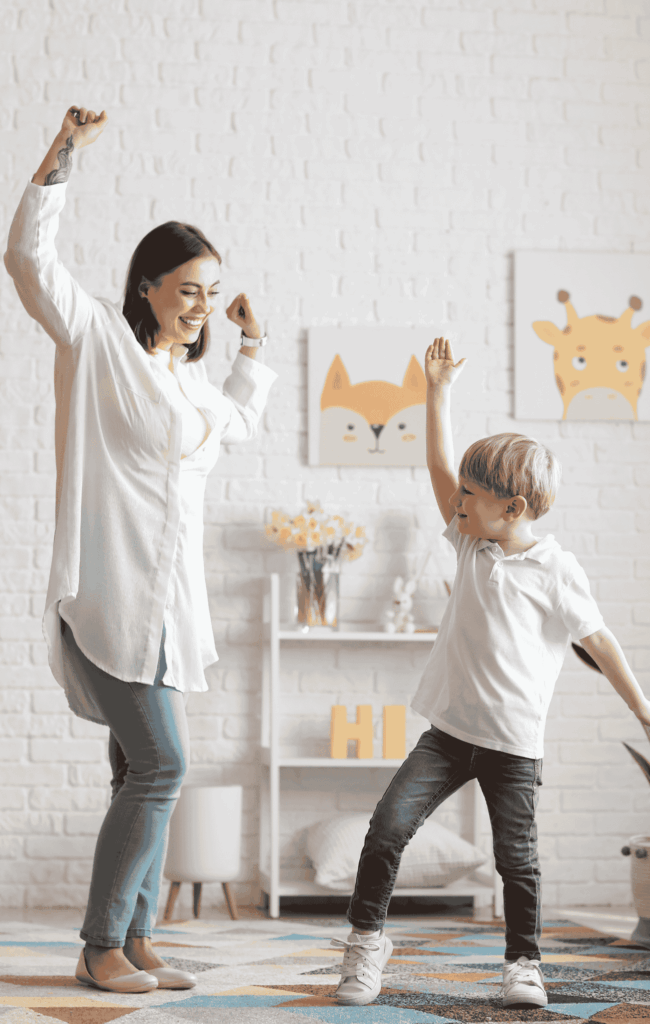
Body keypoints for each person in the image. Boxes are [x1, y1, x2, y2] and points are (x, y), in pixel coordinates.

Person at [4, 106, 278, 995]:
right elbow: (28, 263)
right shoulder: (101, 346)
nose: (200, 305)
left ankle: (138, 933)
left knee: (138, 765)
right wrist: (63, 156)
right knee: (163, 767)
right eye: (189, 289)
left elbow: (234, 424)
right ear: (150, 286)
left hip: (169, 609)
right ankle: (98, 948)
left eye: (211, 290)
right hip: (112, 595)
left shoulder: (186, 379)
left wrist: (252, 344)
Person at [331, 337, 650, 1009]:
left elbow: (603, 642)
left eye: (473, 497)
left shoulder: (557, 571)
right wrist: (437, 392)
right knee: (387, 828)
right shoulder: (470, 541)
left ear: (515, 508)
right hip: (447, 733)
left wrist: (644, 711)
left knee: (518, 861)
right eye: (462, 496)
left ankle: (524, 965)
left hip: (513, 744)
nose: (458, 503)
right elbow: (440, 467)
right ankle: (365, 945)